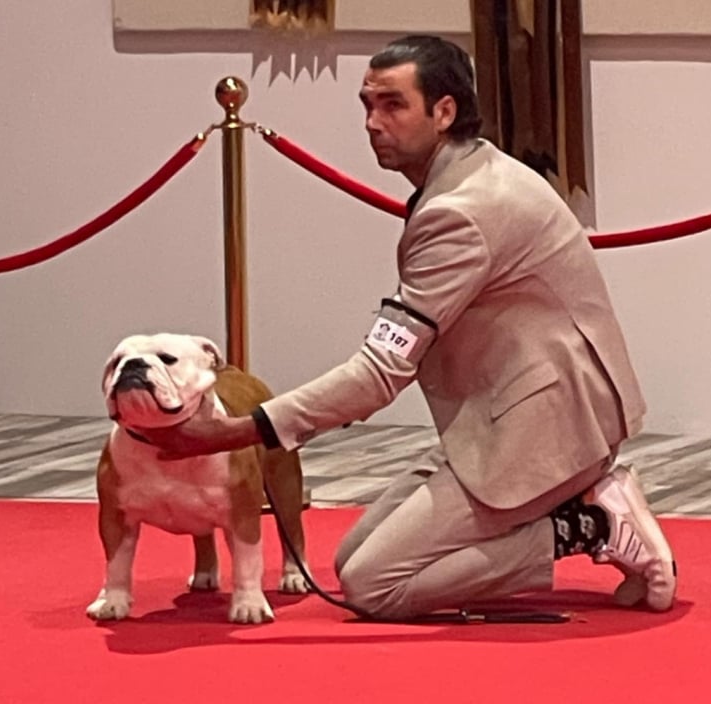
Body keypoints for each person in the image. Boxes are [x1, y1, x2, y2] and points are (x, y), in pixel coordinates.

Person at [143, 35, 676, 618]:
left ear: (444, 111)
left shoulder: (460, 212)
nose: (372, 123)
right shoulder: (475, 170)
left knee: (374, 586)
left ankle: (591, 526)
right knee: (352, 558)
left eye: (393, 105)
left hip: (551, 430)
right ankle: (580, 507)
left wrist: (235, 432)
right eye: (367, 104)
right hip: (522, 414)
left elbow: (378, 375)